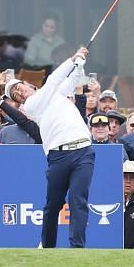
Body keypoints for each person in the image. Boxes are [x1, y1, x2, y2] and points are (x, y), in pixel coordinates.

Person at [23, 45, 93, 248]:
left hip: (83, 150)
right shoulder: (32, 105)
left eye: (21, 87)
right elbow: (54, 80)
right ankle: (48, 247)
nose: (20, 92)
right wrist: (73, 59)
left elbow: (74, 81)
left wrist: (79, 66)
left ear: (31, 86)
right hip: (58, 155)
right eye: (16, 93)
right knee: (53, 205)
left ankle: (77, 248)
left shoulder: (56, 94)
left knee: (78, 200)